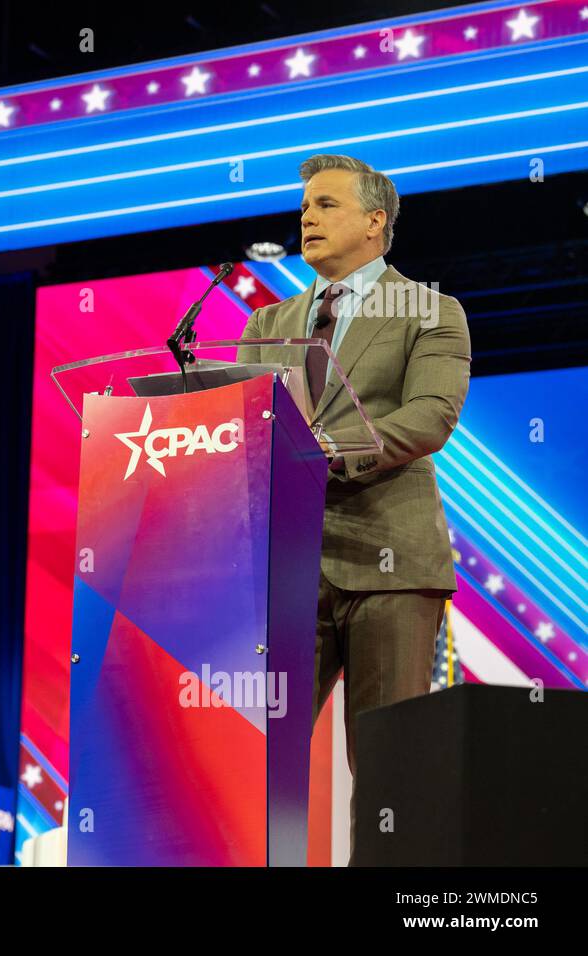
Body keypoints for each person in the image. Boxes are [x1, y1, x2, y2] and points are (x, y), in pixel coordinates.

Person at [238, 154, 471, 861]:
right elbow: (240, 424)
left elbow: (429, 418)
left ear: (376, 223)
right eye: (305, 207)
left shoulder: (430, 311)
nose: (308, 217)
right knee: (251, 756)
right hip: (287, 567)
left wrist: (326, 453)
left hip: (390, 563)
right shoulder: (267, 322)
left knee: (388, 771)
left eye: (327, 205)